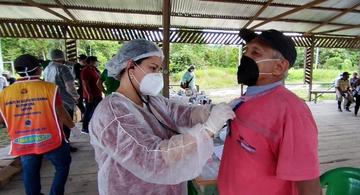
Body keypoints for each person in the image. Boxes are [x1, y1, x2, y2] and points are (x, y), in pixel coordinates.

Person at [89, 39, 235, 195]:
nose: (157, 75)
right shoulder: (111, 112)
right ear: (130, 66)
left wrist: (210, 111)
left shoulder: (151, 99)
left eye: (159, 69)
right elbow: (151, 157)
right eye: (152, 68)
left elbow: (182, 114)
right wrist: (207, 130)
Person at [218, 29, 321, 195]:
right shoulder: (249, 97)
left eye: (255, 52)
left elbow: (308, 183)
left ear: (279, 67)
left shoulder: (292, 111)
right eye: (246, 51)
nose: (245, 57)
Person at [0, 54, 74, 195]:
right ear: (38, 70)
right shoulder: (50, 88)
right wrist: (73, 127)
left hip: (23, 140)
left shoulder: (4, 93)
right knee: (62, 166)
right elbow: (61, 113)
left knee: (30, 172)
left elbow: (2, 119)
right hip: (51, 140)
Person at [44, 49, 80, 152]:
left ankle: (59, 142)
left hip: (51, 99)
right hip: (65, 99)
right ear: (62, 56)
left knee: (57, 123)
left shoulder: (47, 68)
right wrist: (75, 96)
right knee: (66, 123)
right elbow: (69, 85)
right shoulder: (63, 68)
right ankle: (65, 144)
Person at [80, 56, 102, 134]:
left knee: (97, 111)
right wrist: (89, 94)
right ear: (91, 62)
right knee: (88, 111)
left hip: (97, 94)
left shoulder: (94, 70)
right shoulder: (85, 71)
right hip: (91, 96)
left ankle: (93, 126)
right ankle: (85, 128)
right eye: (95, 61)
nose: (96, 62)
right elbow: (85, 83)